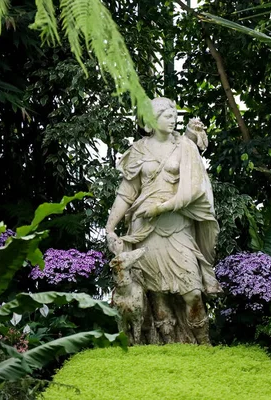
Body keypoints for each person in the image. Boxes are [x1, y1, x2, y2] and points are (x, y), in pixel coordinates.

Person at [105, 97, 221, 344]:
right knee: (157, 293)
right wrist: (110, 227)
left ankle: (204, 345)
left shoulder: (184, 147)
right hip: (145, 230)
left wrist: (161, 207)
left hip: (177, 226)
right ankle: (166, 347)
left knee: (192, 291)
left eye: (174, 115)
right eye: (167, 115)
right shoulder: (138, 150)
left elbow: (195, 187)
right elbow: (127, 193)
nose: (173, 119)